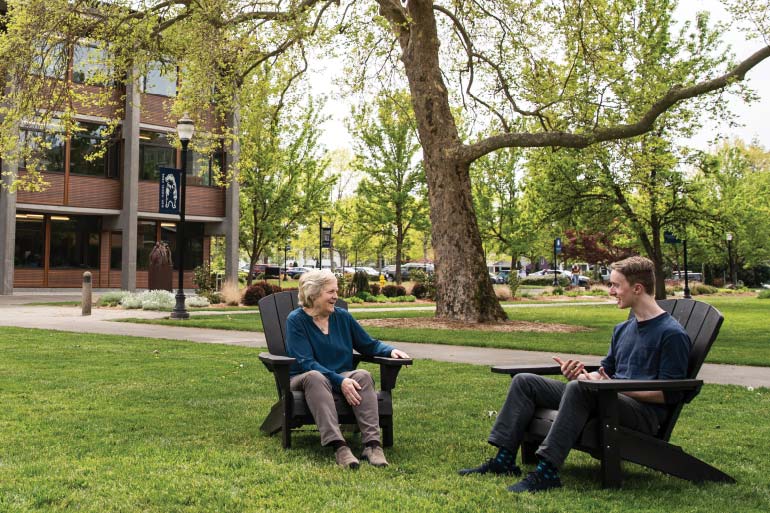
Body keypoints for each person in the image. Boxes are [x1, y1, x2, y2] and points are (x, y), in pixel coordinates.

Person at [458, 256, 691, 492]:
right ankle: (503, 461)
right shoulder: (623, 330)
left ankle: (548, 472)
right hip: (609, 398)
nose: (611, 291)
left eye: (615, 285)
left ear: (637, 288)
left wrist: (613, 386)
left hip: (642, 416)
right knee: (525, 382)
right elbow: (605, 373)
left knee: (579, 389)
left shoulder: (671, 334)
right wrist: (584, 376)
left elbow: (669, 394)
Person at [286, 269, 411, 469]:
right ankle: (339, 446)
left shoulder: (342, 317)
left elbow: (368, 344)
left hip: (340, 375)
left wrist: (390, 350)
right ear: (314, 293)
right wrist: (339, 380)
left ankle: (372, 445)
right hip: (303, 380)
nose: (336, 296)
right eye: (331, 292)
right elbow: (306, 362)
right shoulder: (296, 320)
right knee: (315, 376)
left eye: (336, 291)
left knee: (362, 375)